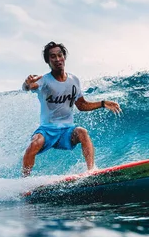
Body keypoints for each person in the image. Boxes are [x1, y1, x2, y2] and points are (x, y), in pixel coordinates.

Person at [21, 41, 122, 176]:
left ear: (64, 57)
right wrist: (26, 84)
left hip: (67, 131)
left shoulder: (74, 80)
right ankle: (25, 181)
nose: (57, 59)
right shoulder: (44, 80)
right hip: (47, 130)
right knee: (34, 143)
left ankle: (91, 171)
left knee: (82, 132)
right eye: (53, 56)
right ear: (48, 61)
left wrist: (103, 103)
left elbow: (81, 105)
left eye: (60, 55)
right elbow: (28, 87)